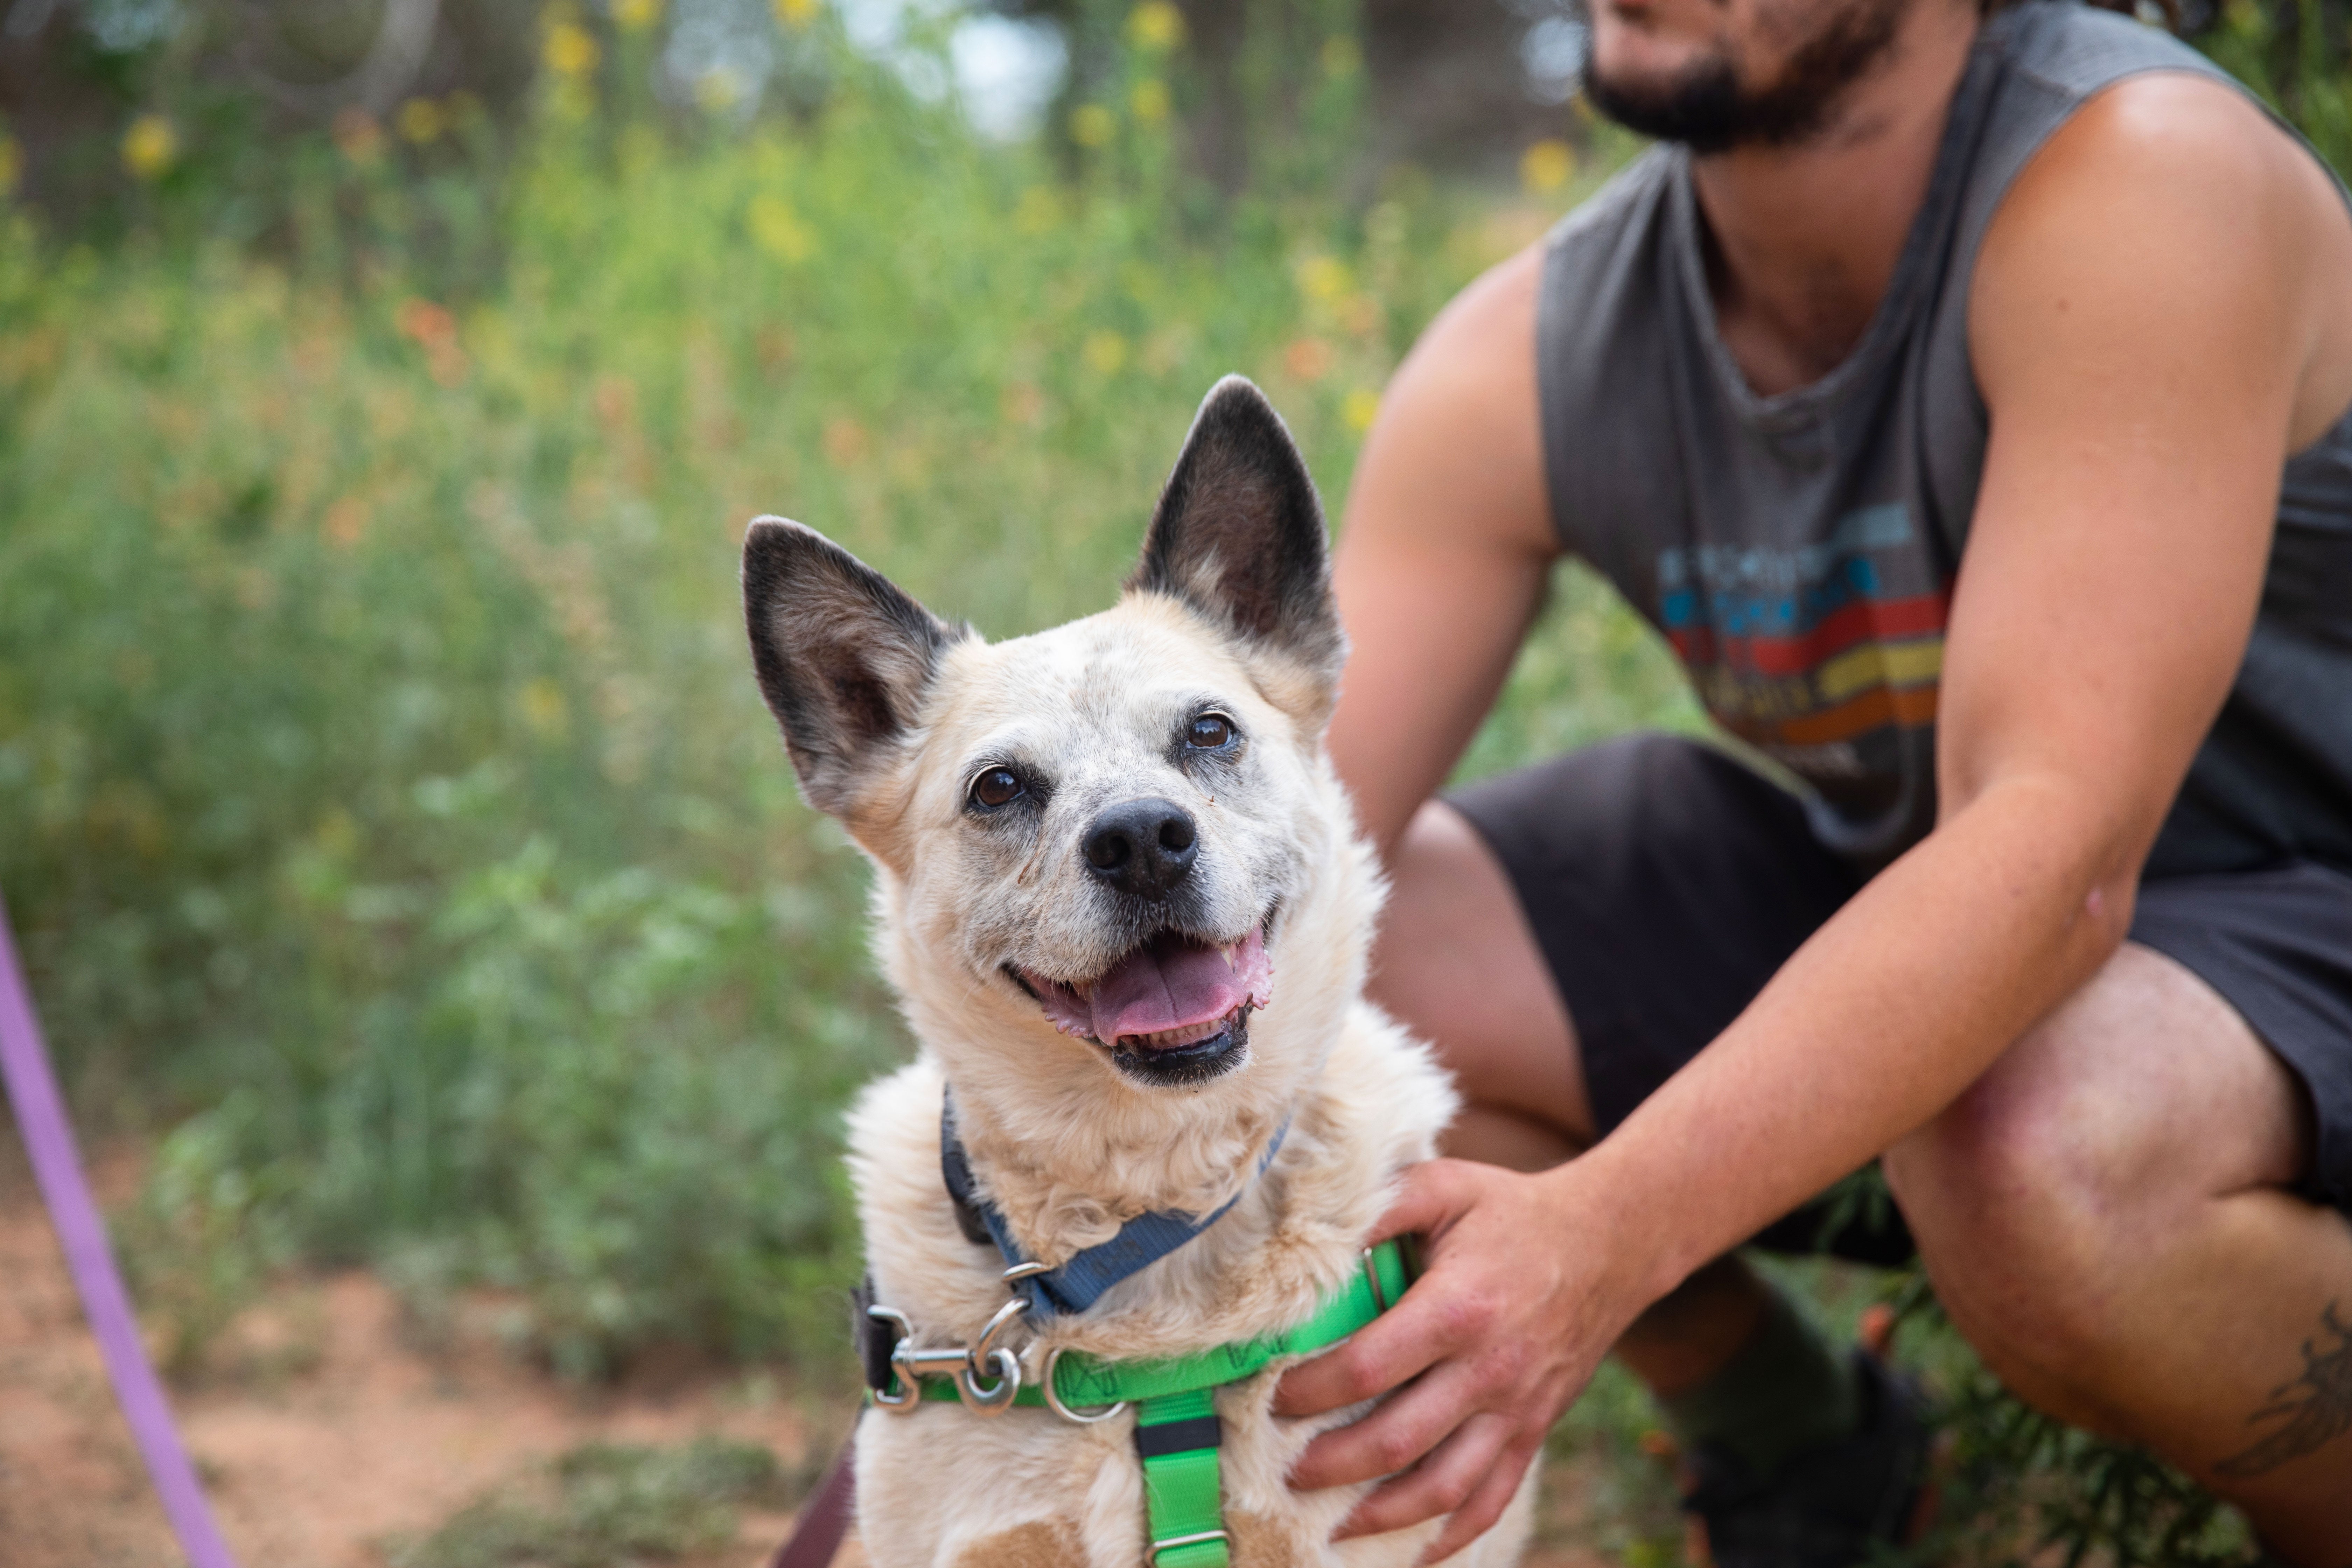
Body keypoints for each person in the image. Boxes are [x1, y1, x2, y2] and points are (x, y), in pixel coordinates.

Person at [1267, 0, 2352, 1560]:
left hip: (2289, 926)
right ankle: (1801, 1439)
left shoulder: (2145, 182)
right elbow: (1260, 858)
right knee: (1314, 962)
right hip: (1945, 927)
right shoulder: (1527, 354)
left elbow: (2053, 865)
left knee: (2037, 1139)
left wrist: (1604, 1232)